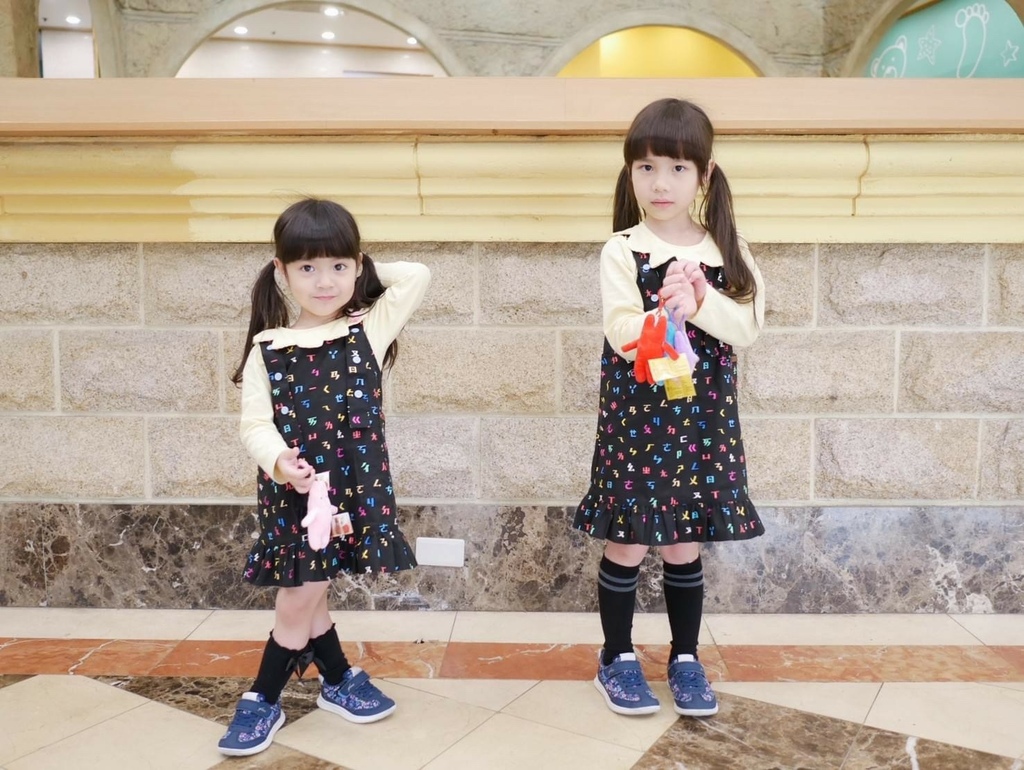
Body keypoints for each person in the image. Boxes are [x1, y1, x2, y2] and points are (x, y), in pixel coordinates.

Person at [574, 98, 766, 718]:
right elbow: (620, 330)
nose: (661, 183)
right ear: (630, 173)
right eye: (647, 167)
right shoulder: (622, 250)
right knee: (628, 542)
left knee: (684, 543)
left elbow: (747, 327)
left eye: (678, 168)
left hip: (701, 423)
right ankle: (616, 657)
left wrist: (702, 301)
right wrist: (665, 312)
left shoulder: (726, 249)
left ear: (704, 175)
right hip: (636, 421)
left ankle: (686, 657)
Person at [218, 198, 430, 756]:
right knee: (300, 594)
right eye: (307, 267)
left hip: (354, 491)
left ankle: (336, 677)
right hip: (296, 496)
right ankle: (264, 697)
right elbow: (254, 424)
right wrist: (279, 461)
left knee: (312, 587)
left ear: (357, 266)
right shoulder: (268, 349)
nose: (324, 281)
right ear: (281, 271)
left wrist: (363, 276)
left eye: (338, 265)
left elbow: (417, 275)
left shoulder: (368, 330)